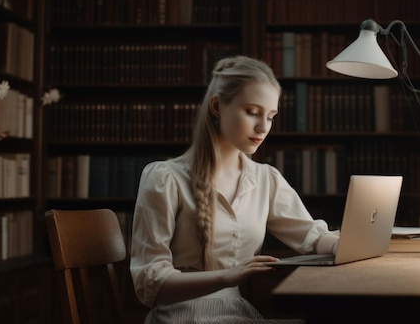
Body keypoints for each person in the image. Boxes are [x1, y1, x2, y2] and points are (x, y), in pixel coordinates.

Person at [129, 55, 339, 324]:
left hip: (235, 314)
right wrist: (227, 276)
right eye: (252, 112)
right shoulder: (165, 178)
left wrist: (342, 244)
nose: (263, 127)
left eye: (271, 117)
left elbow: (311, 235)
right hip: (179, 316)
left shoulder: (265, 179)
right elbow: (150, 285)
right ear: (217, 106)